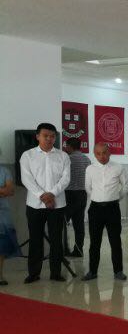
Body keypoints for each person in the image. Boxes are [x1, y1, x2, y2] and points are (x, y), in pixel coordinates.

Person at [19, 122, 71, 283]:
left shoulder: (63, 156)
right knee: (35, 239)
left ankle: (56, 273)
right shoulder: (27, 155)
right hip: (35, 205)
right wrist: (42, 195)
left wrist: (52, 194)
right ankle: (34, 273)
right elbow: (26, 179)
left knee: (56, 240)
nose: (49, 139)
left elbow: (66, 179)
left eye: (52, 136)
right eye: (45, 136)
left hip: (57, 205)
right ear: (37, 137)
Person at [83, 143, 128, 281]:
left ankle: (118, 271)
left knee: (115, 241)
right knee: (94, 242)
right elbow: (88, 188)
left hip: (112, 209)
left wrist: (115, 197)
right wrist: (98, 198)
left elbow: (126, 186)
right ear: (94, 154)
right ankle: (92, 271)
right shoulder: (90, 169)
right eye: (98, 153)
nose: (102, 156)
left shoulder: (118, 167)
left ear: (109, 152)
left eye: (104, 153)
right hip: (95, 209)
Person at [62, 137, 91, 257]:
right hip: (82, 194)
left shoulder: (67, 159)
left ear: (70, 146)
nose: (65, 148)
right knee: (79, 224)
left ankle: (64, 249)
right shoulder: (87, 159)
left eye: (66, 145)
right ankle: (78, 250)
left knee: (62, 223)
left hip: (69, 194)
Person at [0, 165, 21, 285]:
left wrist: (5, 191)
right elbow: (5, 191)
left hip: (2, 214)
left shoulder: (4, 171)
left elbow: (10, 191)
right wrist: (2, 190)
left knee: (1, 245)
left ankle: (0, 276)